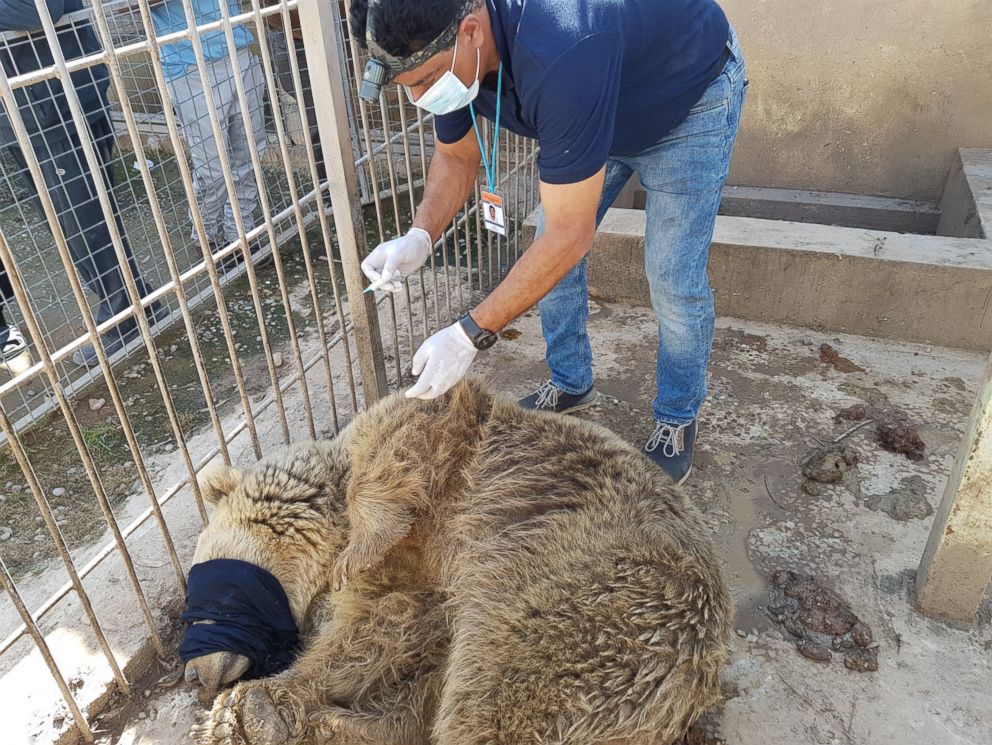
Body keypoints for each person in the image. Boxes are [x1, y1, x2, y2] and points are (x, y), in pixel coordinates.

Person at [352, 0, 747, 484]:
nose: (418, 96)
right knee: (548, 266)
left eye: (423, 79)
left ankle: (677, 416)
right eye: (406, 86)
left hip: (685, 100)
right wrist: (418, 236)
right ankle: (570, 383)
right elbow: (456, 158)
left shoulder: (561, 42)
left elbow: (570, 235)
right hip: (594, 108)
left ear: (471, 30)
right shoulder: (456, 51)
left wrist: (468, 334)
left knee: (672, 276)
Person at [0, 0, 165, 368]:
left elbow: (38, 9)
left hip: (55, 107)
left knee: (85, 226)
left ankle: (127, 318)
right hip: (28, 112)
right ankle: (138, 304)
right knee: (68, 224)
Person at [150, 0, 267, 260]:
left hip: (238, 50)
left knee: (249, 154)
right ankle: (207, 238)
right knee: (213, 169)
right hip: (189, 67)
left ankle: (240, 232)